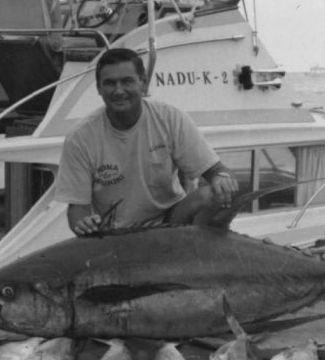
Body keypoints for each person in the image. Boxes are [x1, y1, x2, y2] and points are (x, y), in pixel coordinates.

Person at [53, 47, 239, 235]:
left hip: (171, 220)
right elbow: (77, 209)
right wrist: (83, 223)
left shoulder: (170, 118)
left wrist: (222, 179)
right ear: (98, 88)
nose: (119, 91)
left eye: (127, 81)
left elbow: (217, 171)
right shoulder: (79, 138)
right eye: (110, 83)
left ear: (143, 83)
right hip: (116, 234)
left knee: (212, 195)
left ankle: (204, 250)